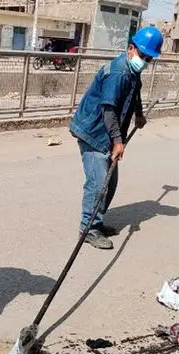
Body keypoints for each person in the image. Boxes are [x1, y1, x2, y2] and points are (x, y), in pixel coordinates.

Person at [68, 26, 164, 249]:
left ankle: (97, 221)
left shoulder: (133, 72)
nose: (145, 61)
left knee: (110, 183)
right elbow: (108, 109)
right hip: (93, 132)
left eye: (149, 59)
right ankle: (88, 228)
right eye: (143, 56)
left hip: (108, 134)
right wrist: (118, 141)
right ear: (131, 48)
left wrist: (139, 114)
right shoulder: (119, 72)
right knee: (99, 182)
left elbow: (135, 92)